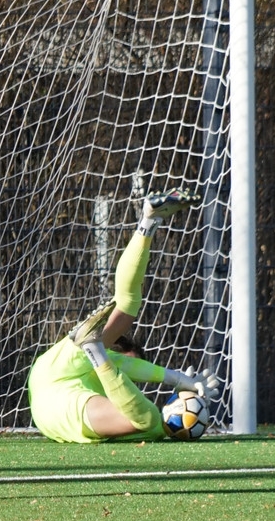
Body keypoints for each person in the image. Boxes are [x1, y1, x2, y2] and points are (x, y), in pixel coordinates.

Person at [27, 187, 219, 444]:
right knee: (151, 423)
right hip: (57, 406)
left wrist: (179, 380)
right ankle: (96, 351)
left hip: (51, 374)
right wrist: (179, 404)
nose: (125, 381)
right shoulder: (103, 372)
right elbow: (128, 368)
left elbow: (129, 366)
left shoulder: (78, 367)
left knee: (127, 304)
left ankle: (148, 221)